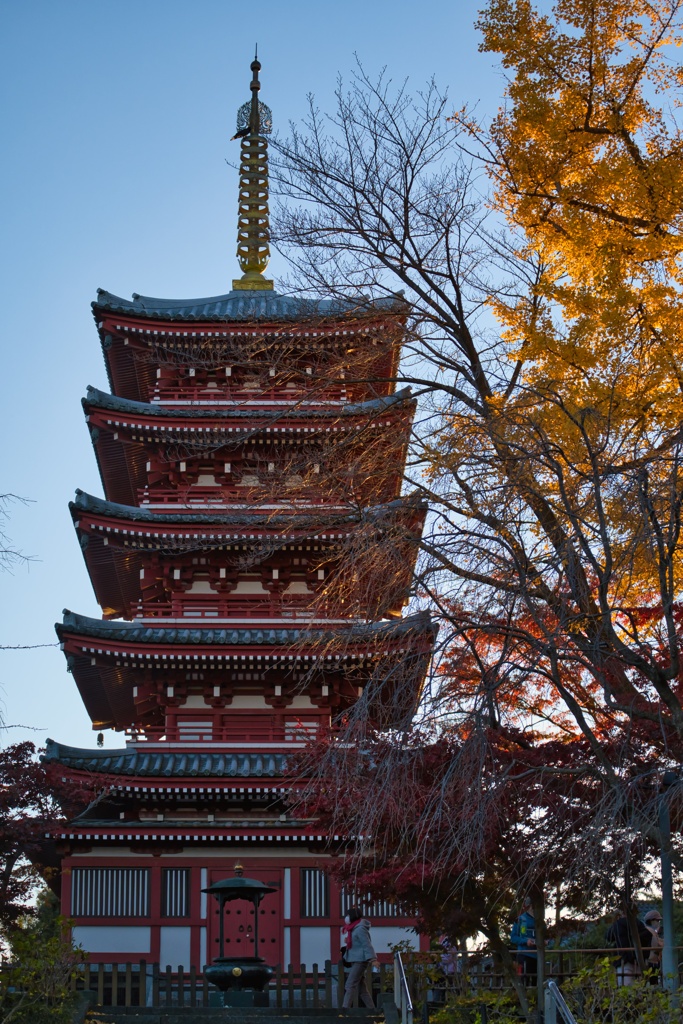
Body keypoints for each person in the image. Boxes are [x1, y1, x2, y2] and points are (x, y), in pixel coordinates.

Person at [605, 908, 652, 986]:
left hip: (623, 959)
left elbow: (608, 937)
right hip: (638, 959)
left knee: (625, 987)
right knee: (639, 986)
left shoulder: (617, 924)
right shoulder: (639, 923)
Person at [341, 905, 376, 1008]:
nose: (346, 917)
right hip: (356, 959)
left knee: (349, 984)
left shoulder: (360, 929)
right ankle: (372, 1010)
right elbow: (358, 943)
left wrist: (373, 959)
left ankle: (345, 1009)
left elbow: (366, 944)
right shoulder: (353, 928)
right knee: (362, 989)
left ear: (352, 916)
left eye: (347, 915)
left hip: (360, 960)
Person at [510, 897, 537, 982]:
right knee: (522, 980)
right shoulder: (520, 920)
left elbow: (548, 936)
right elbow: (513, 937)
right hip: (523, 955)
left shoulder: (540, 921)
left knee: (536, 982)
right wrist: (525, 941)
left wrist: (545, 941)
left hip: (537, 956)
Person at [643, 909, 664, 984]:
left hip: (653, 961)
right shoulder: (648, 932)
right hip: (650, 961)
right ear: (651, 921)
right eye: (657, 920)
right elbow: (659, 945)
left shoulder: (652, 932)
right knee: (652, 982)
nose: (658, 923)